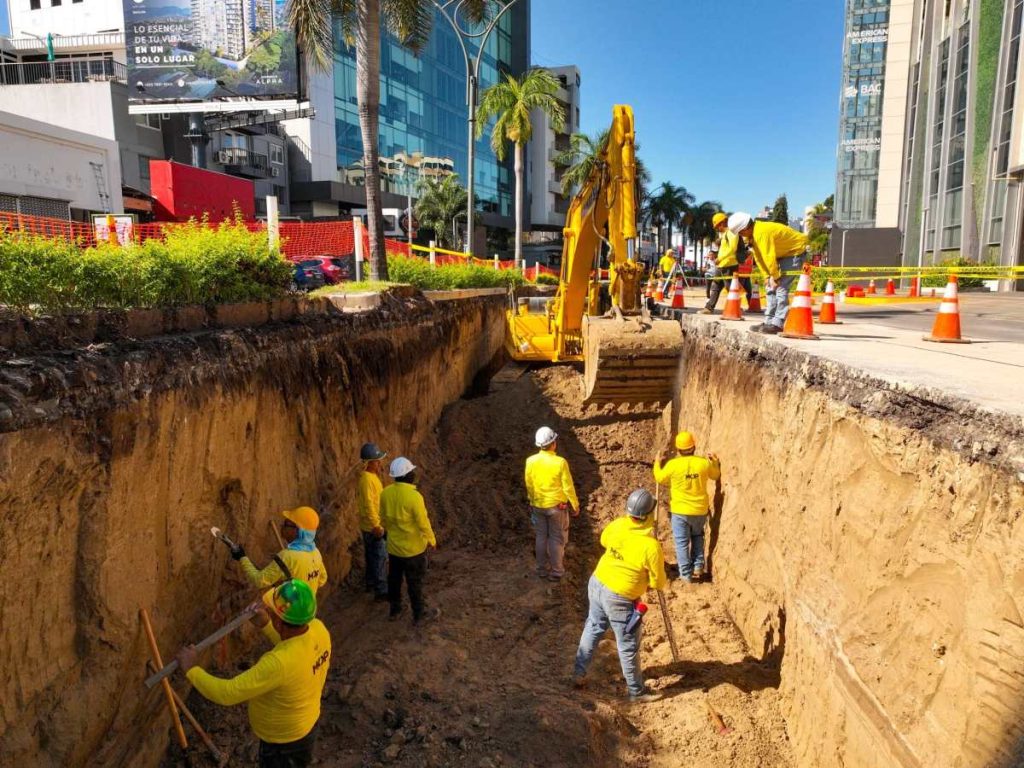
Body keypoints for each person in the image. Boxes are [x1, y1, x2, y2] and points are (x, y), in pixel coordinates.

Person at [176, 579, 331, 768]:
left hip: (283, 744)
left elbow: (227, 693)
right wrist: (266, 624)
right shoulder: (318, 630)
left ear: (279, 623)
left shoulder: (278, 664)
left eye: (272, 613)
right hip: (306, 726)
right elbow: (294, 648)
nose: (269, 613)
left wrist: (191, 669)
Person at [572, 489, 666, 703]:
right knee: (628, 644)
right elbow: (658, 582)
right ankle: (636, 692)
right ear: (649, 515)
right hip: (619, 598)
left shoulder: (618, 525)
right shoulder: (650, 546)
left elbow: (604, 541)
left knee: (593, 626)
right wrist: (645, 581)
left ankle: (579, 672)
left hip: (597, 582)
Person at [652, 431, 720, 583]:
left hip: (680, 512)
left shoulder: (673, 465)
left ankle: (686, 575)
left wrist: (657, 463)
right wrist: (715, 462)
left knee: (682, 543)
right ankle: (698, 565)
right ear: (693, 447)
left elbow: (659, 478)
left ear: (678, 449)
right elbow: (715, 475)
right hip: (700, 510)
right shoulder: (703, 463)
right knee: (698, 536)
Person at [379, 456, 439, 624]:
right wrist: (431, 539)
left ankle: (395, 610)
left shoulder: (385, 493)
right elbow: (423, 522)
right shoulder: (414, 497)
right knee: (415, 582)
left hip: (394, 548)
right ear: (407, 475)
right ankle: (419, 615)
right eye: (411, 471)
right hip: (413, 550)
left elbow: (383, 519)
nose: (414, 474)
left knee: (394, 580)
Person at [727, 212, 809, 334]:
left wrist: (775, 277)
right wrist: (767, 276)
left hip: (795, 251)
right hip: (782, 253)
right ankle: (769, 321)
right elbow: (759, 257)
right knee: (770, 287)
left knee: (781, 287)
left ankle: (778, 324)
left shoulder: (761, 233)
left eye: (740, 233)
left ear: (745, 228)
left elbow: (768, 256)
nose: (740, 236)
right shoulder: (753, 235)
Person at [524, 426, 580, 581]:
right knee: (556, 539)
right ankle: (556, 572)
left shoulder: (530, 461)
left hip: (538, 505)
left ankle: (541, 570)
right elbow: (568, 486)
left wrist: (532, 500)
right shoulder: (560, 462)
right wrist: (575, 504)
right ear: (553, 443)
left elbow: (529, 484)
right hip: (557, 507)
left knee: (541, 537)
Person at [232, 507, 328, 596]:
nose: (282, 526)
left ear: (297, 530)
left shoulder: (287, 557)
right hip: (306, 607)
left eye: (286, 524)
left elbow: (259, 581)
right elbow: (322, 580)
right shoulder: (315, 552)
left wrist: (241, 557)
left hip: (288, 607)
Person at [357, 442, 389, 601]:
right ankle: (381, 590)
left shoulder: (369, 478)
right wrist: (376, 525)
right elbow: (369, 505)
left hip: (369, 525)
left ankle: (370, 582)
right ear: (369, 463)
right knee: (379, 557)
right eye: (377, 461)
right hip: (373, 527)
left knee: (371, 556)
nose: (379, 463)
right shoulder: (367, 480)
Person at [700, 212, 744, 314]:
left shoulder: (732, 232)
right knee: (715, 286)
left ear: (723, 223)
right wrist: (719, 259)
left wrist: (720, 258)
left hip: (729, 265)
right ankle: (709, 308)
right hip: (722, 265)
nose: (717, 228)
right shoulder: (725, 234)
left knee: (730, 287)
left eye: (717, 226)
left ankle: (737, 307)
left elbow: (732, 249)